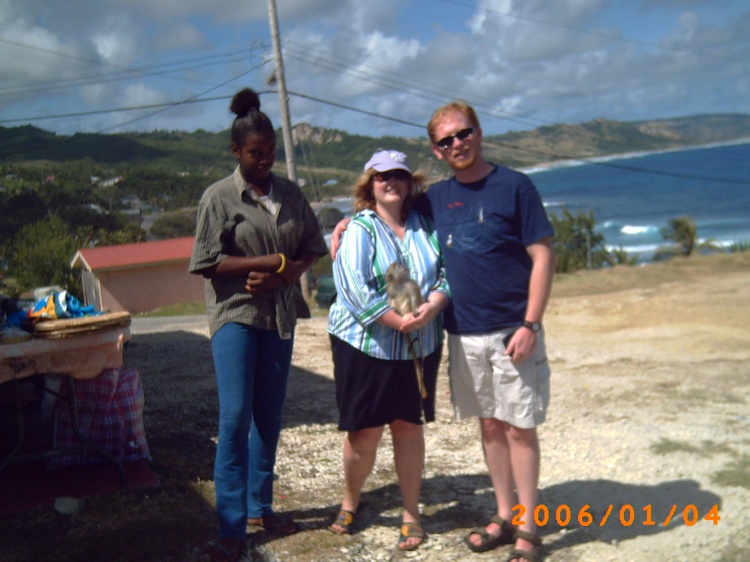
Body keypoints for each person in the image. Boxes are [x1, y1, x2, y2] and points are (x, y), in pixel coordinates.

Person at [330, 103, 555, 562]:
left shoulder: (492, 193)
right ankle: (499, 515)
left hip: (478, 334)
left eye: (463, 133)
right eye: (446, 140)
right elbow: (363, 261)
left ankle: (519, 526)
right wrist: (344, 223)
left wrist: (527, 321)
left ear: (478, 132)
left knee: (504, 428)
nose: (457, 144)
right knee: (478, 427)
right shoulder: (397, 214)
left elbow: (530, 257)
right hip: (419, 340)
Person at [189, 88, 328, 562]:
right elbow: (206, 261)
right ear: (236, 152)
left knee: (268, 418)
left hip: (280, 315)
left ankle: (259, 507)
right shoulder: (219, 198)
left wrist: (286, 273)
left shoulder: (290, 193)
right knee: (235, 420)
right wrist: (265, 260)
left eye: (269, 151)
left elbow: (314, 245)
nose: (265, 159)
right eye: (255, 153)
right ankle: (231, 527)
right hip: (236, 318)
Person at [327, 150, 450, 551]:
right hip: (368, 345)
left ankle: (411, 513)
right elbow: (351, 288)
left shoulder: (426, 225)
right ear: (370, 186)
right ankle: (350, 500)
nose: (391, 182)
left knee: (408, 427)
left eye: (399, 175)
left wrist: (433, 306)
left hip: (421, 343)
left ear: (409, 182)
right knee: (364, 431)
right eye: (382, 177)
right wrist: (396, 322)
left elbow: (448, 274)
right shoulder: (359, 229)